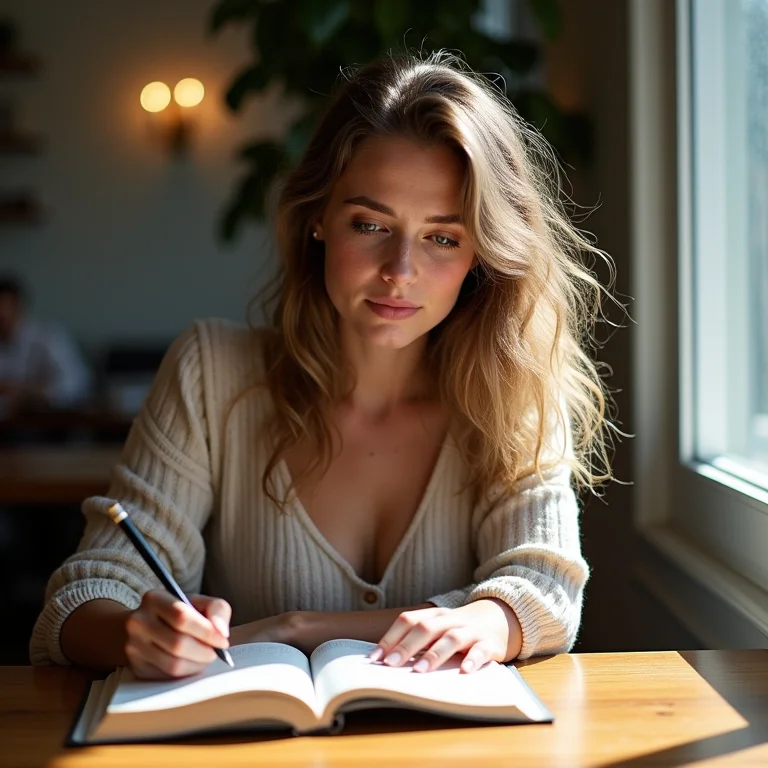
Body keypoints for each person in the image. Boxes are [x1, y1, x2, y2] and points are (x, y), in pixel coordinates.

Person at [30, 51, 616, 679]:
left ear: (482, 252)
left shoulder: (514, 392)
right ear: (318, 218)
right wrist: (133, 636)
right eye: (370, 224)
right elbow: (80, 598)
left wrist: (297, 629)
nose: (400, 271)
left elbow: (545, 593)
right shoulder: (210, 373)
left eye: (443, 237)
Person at [0, 276, 92, 419]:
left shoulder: (48, 338)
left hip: (46, 426)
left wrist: (28, 392)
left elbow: (76, 384)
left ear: (18, 307)